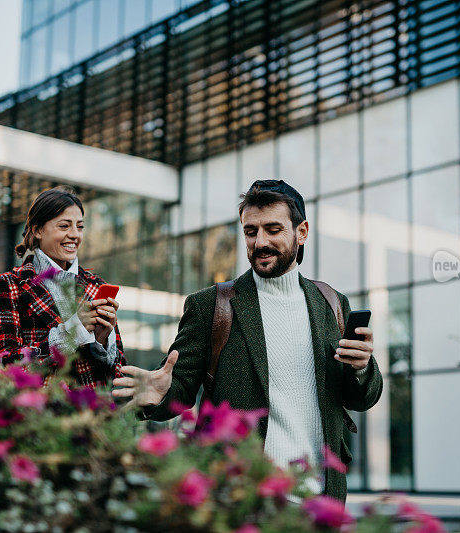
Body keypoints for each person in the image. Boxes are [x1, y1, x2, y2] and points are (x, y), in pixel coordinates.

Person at [112, 179, 382, 501]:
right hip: (240, 496)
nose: (260, 242)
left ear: (302, 232)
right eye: (251, 231)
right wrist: (161, 394)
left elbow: (360, 399)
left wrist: (363, 368)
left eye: (273, 229)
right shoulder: (211, 305)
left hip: (319, 498)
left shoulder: (332, 304)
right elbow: (180, 387)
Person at [0, 186, 125, 388]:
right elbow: (3, 367)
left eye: (80, 226)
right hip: (39, 412)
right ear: (37, 230)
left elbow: (118, 372)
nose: (75, 235)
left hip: (93, 415)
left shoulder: (96, 286)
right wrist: (71, 332)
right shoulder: (9, 285)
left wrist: (102, 342)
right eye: (64, 226)